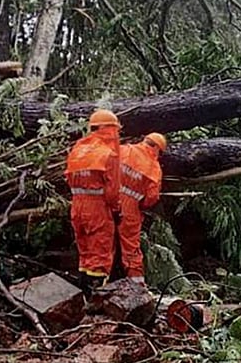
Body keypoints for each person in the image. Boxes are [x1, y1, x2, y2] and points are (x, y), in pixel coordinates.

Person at [65, 109, 121, 288]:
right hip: (97, 208)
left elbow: (68, 178)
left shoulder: (78, 149)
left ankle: (82, 295)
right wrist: (116, 209)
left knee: (85, 252)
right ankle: (96, 297)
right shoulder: (108, 154)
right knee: (100, 253)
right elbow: (112, 191)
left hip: (77, 205)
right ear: (110, 129)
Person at [117, 133, 166, 285]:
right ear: (157, 148)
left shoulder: (124, 150)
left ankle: (94, 285)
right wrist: (139, 203)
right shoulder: (154, 168)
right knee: (131, 249)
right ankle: (137, 286)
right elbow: (151, 198)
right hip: (129, 209)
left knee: (100, 243)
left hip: (106, 201)